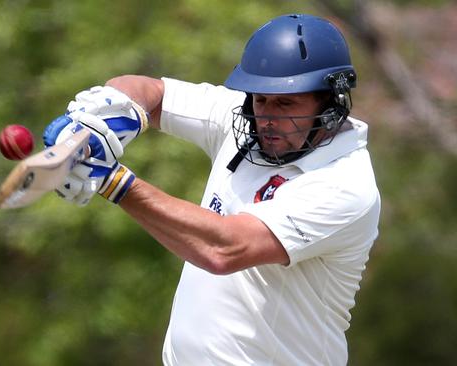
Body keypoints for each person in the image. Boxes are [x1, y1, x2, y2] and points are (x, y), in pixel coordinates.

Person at [44, 13, 381, 365]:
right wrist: (99, 121)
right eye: (260, 99)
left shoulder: (345, 185)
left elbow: (224, 249)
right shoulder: (249, 124)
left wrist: (114, 181)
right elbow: (150, 92)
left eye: (285, 103)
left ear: (331, 104)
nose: (265, 117)